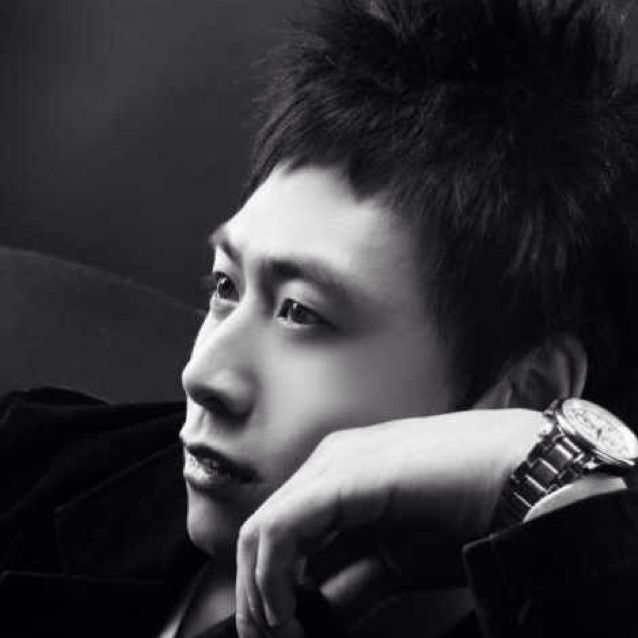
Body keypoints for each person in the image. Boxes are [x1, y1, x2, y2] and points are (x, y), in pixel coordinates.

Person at [2, 0, 638, 637]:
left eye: (300, 312)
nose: (203, 375)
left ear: (524, 393)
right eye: (225, 286)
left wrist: (551, 471)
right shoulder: (37, 461)